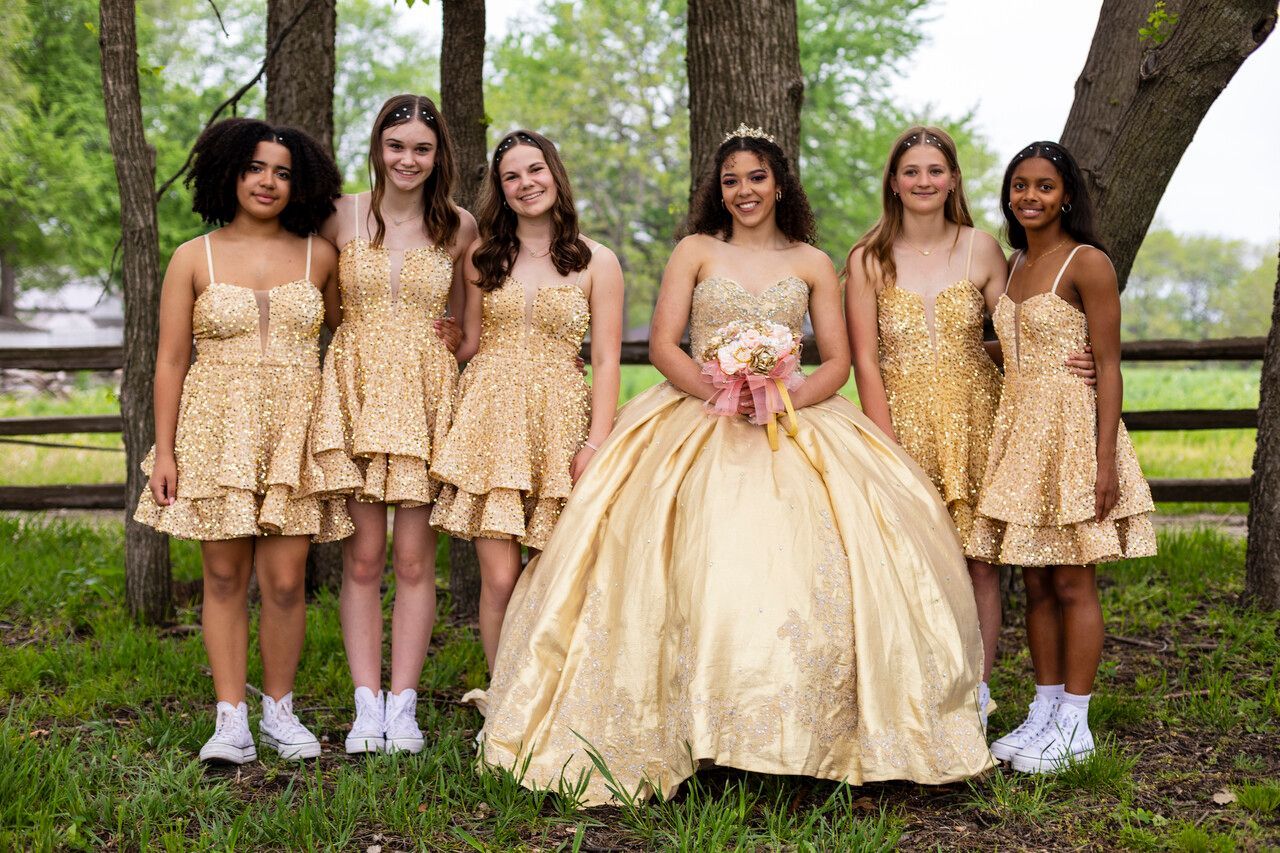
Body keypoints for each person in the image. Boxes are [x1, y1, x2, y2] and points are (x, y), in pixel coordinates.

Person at [471, 125, 993, 806]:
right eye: (731, 181)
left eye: (756, 178)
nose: (744, 191)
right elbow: (665, 345)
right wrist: (720, 389)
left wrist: (784, 395)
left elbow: (838, 360)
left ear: (779, 185)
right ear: (718, 192)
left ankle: (807, 728)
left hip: (792, 417)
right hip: (698, 413)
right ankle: (689, 725)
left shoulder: (812, 262)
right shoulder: (695, 250)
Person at [844, 126, 1095, 727]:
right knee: (912, 559)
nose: (923, 181)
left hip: (980, 418)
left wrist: (1074, 358)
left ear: (953, 178)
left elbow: (1018, 332)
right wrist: (885, 444)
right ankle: (912, 689)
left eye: (935, 170)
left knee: (980, 562)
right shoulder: (868, 258)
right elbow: (865, 361)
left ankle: (974, 696)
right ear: (894, 182)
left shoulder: (981, 249)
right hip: (901, 421)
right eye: (911, 171)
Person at [135, 117, 346, 764]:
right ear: (230, 172)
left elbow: (351, 337)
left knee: (284, 580)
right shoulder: (191, 256)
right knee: (224, 575)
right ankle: (231, 720)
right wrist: (165, 450)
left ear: (299, 184)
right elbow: (171, 359)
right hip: (215, 428)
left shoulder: (320, 256)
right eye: (256, 167)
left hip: (293, 431)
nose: (267, 182)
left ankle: (279, 711)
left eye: (283, 172)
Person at [973, 141, 1155, 773]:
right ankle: (1044, 709)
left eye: (1044, 186)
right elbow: (1017, 346)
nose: (1030, 196)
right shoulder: (1015, 263)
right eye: (1020, 185)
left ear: (1067, 195)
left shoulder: (1088, 263)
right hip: (1023, 435)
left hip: (1074, 435)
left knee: (1074, 578)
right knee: (1036, 579)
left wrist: (1104, 462)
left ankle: (1076, 724)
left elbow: (1108, 365)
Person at [309, 94, 475, 755]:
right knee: (362, 556)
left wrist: (452, 341)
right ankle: (365, 704)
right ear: (379, 147)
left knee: (413, 559)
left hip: (425, 398)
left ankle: (403, 706)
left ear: (438, 156)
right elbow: (324, 309)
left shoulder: (459, 226)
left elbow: (467, 326)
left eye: (421, 149)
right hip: (356, 388)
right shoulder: (340, 214)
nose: (408, 159)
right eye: (397, 145)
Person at [430, 129, 624, 670]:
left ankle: (550, 694)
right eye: (511, 176)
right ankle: (502, 695)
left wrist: (596, 443)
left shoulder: (597, 261)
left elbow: (606, 359)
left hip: (560, 424)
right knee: (499, 579)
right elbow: (471, 343)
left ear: (554, 175)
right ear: (500, 188)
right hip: (491, 422)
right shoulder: (483, 256)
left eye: (535, 170)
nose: (525, 184)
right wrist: (449, 338)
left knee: (555, 572)